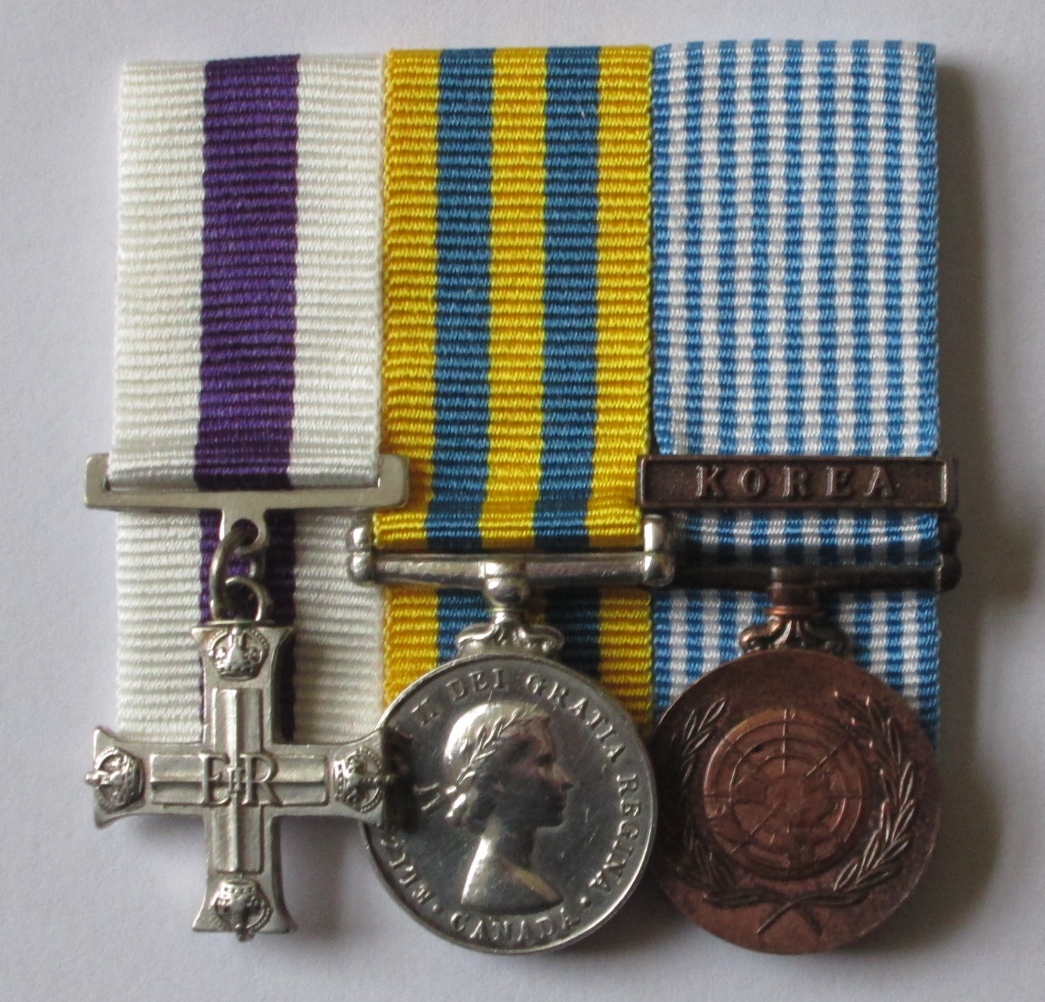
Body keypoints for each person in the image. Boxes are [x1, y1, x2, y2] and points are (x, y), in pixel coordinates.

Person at [441, 701, 574, 914]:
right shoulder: (507, 885)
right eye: (544, 763)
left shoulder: (515, 876)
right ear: (496, 781)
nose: (566, 780)